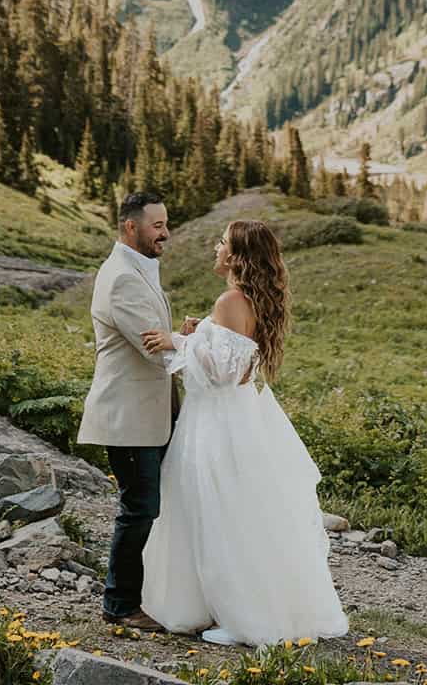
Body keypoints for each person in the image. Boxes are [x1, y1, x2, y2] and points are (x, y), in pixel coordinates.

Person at [139, 219, 349, 646]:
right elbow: (232, 357)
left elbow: (229, 375)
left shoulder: (231, 299)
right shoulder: (244, 300)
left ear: (235, 256)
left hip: (216, 423)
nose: (215, 248)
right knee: (216, 511)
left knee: (217, 514)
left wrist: (177, 343)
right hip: (227, 418)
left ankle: (242, 616)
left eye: (221, 243)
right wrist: (202, 335)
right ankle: (213, 604)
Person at [77, 190, 191, 631]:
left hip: (150, 413)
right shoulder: (121, 276)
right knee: (139, 507)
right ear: (131, 227)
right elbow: (153, 350)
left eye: (166, 223)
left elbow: (156, 337)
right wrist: (202, 348)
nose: (166, 232)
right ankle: (120, 603)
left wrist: (178, 336)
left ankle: (140, 595)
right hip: (128, 416)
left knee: (147, 506)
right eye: (157, 225)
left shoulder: (138, 269)